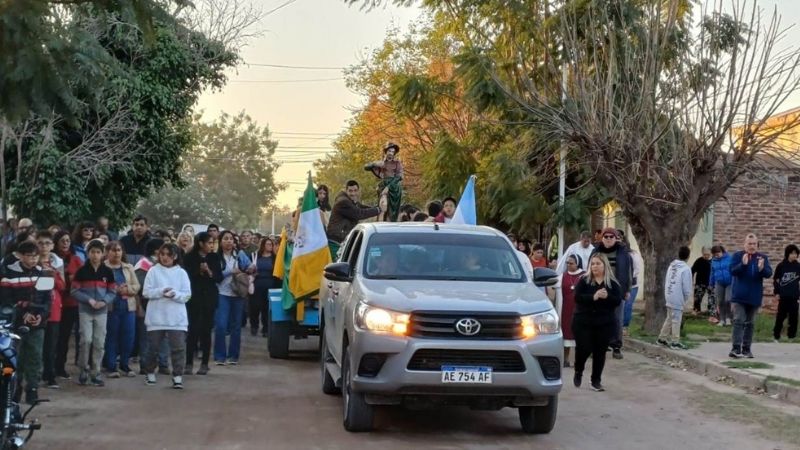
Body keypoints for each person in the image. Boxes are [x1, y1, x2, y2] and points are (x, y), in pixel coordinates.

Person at [1, 241, 52, 404]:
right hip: (15, 324)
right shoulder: (8, 273)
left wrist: (40, 316)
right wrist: (23, 313)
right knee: (17, 357)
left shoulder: (43, 273)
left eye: (35, 256)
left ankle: (33, 389)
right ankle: (15, 389)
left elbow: (47, 300)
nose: (33, 259)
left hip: (37, 323)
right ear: (21, 256)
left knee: (35, 356)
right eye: (29, 256)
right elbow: (6, 301)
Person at [142, 243, 191, 389]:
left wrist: (175, 294)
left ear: (175, 256)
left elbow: (187, 295)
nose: (164, 257)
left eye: (168, 254)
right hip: (156, 317)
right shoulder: (153, 271)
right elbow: (146, 292)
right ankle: (150, 372)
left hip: (176, 318)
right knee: (153, 347)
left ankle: (177, 376)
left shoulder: (181, 273)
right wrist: (161, 292)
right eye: (162, 254)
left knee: (178, 348)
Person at [572, 254, 622, 392]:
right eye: (592, 264)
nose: (595, 266)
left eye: (598, 264)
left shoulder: (612, 283)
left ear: (605, 266)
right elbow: (577, 297)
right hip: (583, 321)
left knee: (600, 352)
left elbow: (618, 300)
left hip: (604, 322)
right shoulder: (584, 280)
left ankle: (596, 380)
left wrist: (607, 297)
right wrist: (593, 297)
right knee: (584, 348)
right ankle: (578, 370)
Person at [71, 240, 115, 386]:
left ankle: (96, 372)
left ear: (103, 254)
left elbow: (112, 291)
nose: (95, 255)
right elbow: (74, 290)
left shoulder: (107, 272)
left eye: (98, 252)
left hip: (102, 311)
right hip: (85, 310)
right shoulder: (82, 271)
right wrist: (88, 299)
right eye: (92, 252)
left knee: (99, 342)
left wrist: (104, 301)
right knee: (86, 340)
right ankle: (83, 369)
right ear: (87, 253)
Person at [590, 227, 632, 360]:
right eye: (606, 237)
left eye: (611, 237)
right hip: (599, 289)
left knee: (617, 319)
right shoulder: (596, 251)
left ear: (616, 238)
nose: (608, 239)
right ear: (602, 238)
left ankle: (616, 346)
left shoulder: (623, 253)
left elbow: (629, 273)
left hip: (617, 291)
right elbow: (589, 271)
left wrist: (628, 290)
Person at [183, 232, 222, 375]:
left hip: (209, 298)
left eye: (213, 243)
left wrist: (209, 272)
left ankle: (204, 363)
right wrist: (198, 271)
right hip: (194, 297)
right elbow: (185, 276)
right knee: (192, 330)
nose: (211, 246)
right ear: (201, 243)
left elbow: (218, 277)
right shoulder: (189, 257)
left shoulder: (214, 257)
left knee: (206, 330)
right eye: (209, 243)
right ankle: (188, 363)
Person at [729, 233, 772, 359]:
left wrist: (761, 268)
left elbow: (768, 273)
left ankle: (746, 349)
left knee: (750, 323)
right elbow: (732, 271)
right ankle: (736, 348)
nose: (752, 246)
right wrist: (743, 265)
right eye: (749, 244)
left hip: (754, 297)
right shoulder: (738, 256)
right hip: (739, 296)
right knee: (738, 321)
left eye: (754, 244)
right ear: (745, 244)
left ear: (757, 245)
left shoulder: (762, 257)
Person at [103, 241, 140, 378]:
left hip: (128, 307)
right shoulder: (103, 267)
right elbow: (100, 287)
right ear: (107, 252)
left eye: (119, 250)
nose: (116, 253)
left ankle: (125, 364)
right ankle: (111, 366)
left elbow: (136, 286)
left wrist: (127, 289)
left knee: (128, 337)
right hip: (111, 307)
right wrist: (115, 290)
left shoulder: (128, 267)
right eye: (113, 250)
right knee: (111, 337)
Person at [214, 230, 252, 365]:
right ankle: (219, 356)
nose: (229, 241)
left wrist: (249, 269)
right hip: (222, 293)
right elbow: (216, 276)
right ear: (220, 241)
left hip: (238, 294)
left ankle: (233, 356)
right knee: (221, 325)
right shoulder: (215, 257)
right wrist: (230, 271)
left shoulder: (240, 254)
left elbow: (250, 267)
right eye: (225, 239)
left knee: (236, 326)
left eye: (231, 239)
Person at [133, 238, 170, 375]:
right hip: (147, 304)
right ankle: (145, 364)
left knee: (164, 335)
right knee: (147, 336)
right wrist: (139, 307)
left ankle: (163, 363)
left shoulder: (165, 264)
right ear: (156, 250)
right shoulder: (144, 264)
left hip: (164, 305)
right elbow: (140, 288)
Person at [37, 231, 65, 390]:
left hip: (54, 307)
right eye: (41, 243)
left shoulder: (57, 264)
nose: (44, 247)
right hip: (37, 307)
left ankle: (50, 375)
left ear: (52, 246)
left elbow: (62, 286)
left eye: (47, 243)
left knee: (51, 345)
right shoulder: (32, 263)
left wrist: (52, 275)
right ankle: (37, 374)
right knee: (38, 343)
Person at [53, 230, 81, 380]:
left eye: (68, 240)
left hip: (71, 302)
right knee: (52, 337)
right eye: (62, 240)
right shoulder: (51, 259)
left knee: (64, 337)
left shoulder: (76, 259)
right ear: (56, 242)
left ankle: (60, 367)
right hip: (54, 302)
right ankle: (49, 366)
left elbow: (82, 278)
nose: (65, 243)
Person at [657, 246, 693, 350]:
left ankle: (662, 338)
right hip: (678, 297)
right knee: (676, 320)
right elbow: (686, 287)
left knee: (669, 318)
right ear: (688, 256)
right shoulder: (685, 269)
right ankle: (675, 341)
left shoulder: (671, 266)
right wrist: (686, 298)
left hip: (669, 294)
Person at [555, 254, 583, 368]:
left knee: (580, 336)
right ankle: (566, 360)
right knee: (567, 334)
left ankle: (579, 361)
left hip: (580, 310)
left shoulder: (584, 276)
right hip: (566, 310)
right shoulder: (563, 276)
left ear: (577, 264)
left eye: (571, 263)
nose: (568, 265)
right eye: (567, 263)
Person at [365, 142, 404, 222]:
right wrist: (375, 163)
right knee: (382, 207)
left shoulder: (397, 163)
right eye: (389, 151)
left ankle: (391, 225)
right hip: (383, 186)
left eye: (393, 152)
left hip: (394, 188)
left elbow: (399, 176)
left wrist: (388, 187)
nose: (391, 153)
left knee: (393, 211)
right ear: (386, 151)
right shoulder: (381, 163)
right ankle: (380, 226)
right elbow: (366, 167)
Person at [250, 237, 277, 337]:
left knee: (266, 308)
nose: (270, 246)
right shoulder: (255, 256)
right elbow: (248, 269)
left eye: (271, 244)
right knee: (255, 307)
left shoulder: (275, 258)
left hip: (270, 285)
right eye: (268, 244)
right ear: (263, 245)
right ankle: (254, 326)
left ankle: (266, 328)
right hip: (257, 284)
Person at [772, 244, 800, 342]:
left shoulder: (798, 266)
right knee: (780, 317)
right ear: (787, 254)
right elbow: (776, 280)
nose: (794, 255)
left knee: (793, 318)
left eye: (796, 253)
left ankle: (791, 336)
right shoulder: (781, 266)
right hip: (783, 296)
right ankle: (776, 336)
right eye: (792, 253)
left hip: (794, 296)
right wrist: (776, 292)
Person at [623, 245, 644, 336]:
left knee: (628, 305)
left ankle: (625, 327)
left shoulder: (633, 255)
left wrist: (626, 275)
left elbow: (637, 270)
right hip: (619, 284)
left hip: (632, 285)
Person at [710, 245, 733, 327]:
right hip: (719, 282)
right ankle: (722, 319)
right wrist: (711, 283)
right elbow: (712, 273)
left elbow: (733, 270)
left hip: (729, 282)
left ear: (722, 251)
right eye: (715, 254)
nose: (717, 255)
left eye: (718, 253)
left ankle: (728, 318)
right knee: (720, 301)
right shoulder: (713, 261)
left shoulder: (729, 258)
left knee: (727, 300)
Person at [691, 247, 715, 321]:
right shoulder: (699, 260)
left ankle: (711, 313)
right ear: (702, 253)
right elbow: (692, 270)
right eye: (704, 254)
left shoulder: (714, 261)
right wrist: (690, 280)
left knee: (711, 298)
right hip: (700, 283)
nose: (706, 256)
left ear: (711, 253)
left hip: (711, 283)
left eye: (708, 254)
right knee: (697, 297)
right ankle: (696, 310)